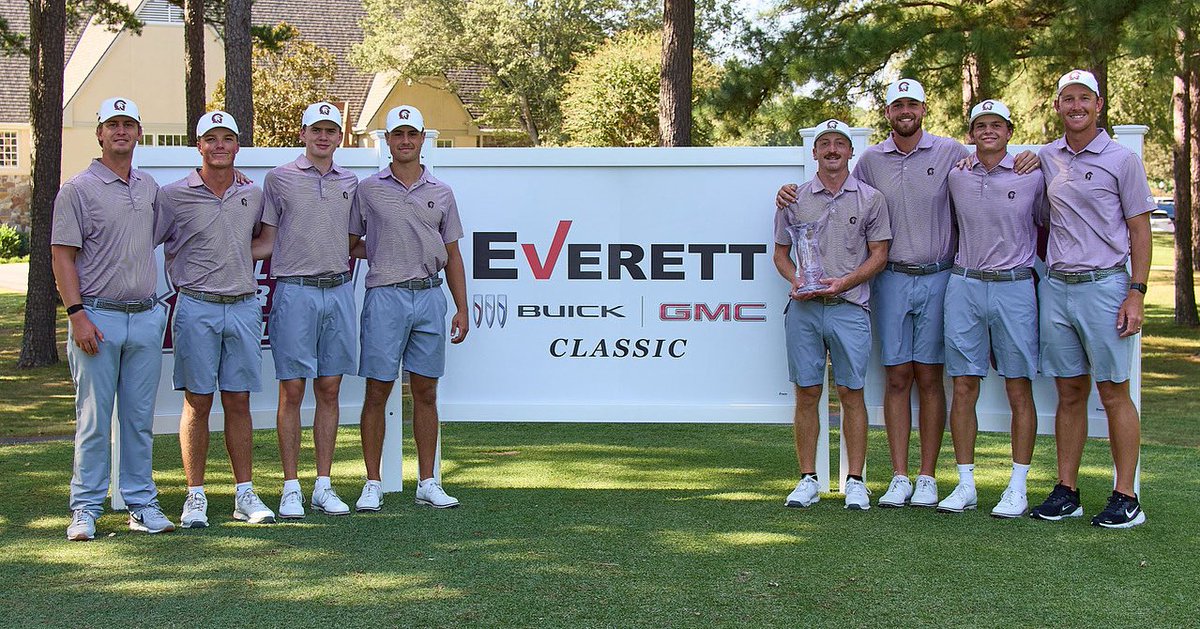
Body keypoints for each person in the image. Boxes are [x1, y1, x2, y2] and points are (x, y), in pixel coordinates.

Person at [776, 79, 1039, 508]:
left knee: (931, 378)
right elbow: (839, 195)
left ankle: (928, 477)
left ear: (923, 108)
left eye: (912, 104)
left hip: (941, 276)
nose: (905, 110)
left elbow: (995, 159)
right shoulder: (871, 160)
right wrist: (788, 191)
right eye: (897, 104)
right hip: (890, 278)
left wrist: (1032, 156)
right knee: (898, 377)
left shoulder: (953, 152)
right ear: (887, 113)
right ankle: (900, 476)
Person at [1030, 70, 1153, 529]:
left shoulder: (1122, 160)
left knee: (1114, 392)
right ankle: (1068, 490)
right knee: (1069, 391)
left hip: (1105, 287)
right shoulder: (1046, 157)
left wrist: (1136, 293)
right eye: (1067, 99)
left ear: (1098, 105)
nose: (1076, 106)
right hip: (1058, 287)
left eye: (1085, 98)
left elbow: (1140, 231)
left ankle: (1126, 495)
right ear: (1058, 106)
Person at [53, 97, 175, 540]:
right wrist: (77, 315)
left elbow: (168, 232)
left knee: (139, 419)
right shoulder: (78, 189)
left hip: (144, 317)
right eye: (112, 125)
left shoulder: (148, 188)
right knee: (94, 418)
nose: (121, 131)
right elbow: (62, 257)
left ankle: (141, 503)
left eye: (129, 124)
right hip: (96, 319)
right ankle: (85, 508)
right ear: (100, 134)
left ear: (139, 132)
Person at [156, 111, 275, 527]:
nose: (220, 145)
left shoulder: (253, 194)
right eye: (212, 138)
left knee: (239, 400)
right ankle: (195, 496)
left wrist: (239, 256)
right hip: (195, 305)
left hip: (243, 305)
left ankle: (244, 494)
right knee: (197, 400)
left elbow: (268, 240)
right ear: (199, 145)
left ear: (237, 146)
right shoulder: (173, 195)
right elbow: (147, 239)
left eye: (227, 138)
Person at [350, 105, 469, 511]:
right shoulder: (367, 189)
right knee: (377, 390)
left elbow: (452, 254)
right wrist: (386, 252)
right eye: (397, 134)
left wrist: (461, 308)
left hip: (430, 297)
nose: (404, 141)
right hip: (385, 296)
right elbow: (352, 243)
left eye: (411, 134)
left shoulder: (442, 192)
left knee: (425, 391)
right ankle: (372, 482)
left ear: (422, 139)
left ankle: (427, 481)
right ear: (387, 141)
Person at [936, 100, 1045, 518]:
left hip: (1015, 288)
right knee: (963, 386)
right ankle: (965, 484)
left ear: (1009, 131)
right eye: (980, 125)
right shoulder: (957, 175)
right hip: (964, 284)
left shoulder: (1032, 173)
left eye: (995, 125)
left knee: (1019, 386)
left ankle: (1016, 487)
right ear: (971, 134)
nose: (988, 131)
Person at [775, 119, 891, 511]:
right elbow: (780, 254)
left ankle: (855, 480)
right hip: (805, 309)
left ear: (850, 151)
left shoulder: (871, 199)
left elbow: (879, 255)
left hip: (849, 307)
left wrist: (843, 282)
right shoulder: (793, 199)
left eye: (839, 144)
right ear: (814, 153)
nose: (832, 150)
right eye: (824, 144)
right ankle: (807, 479)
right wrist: (798, 280)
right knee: (807, 392)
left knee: (850, 392)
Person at [252, 102, 358, 519]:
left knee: (329, 389)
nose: (324, 136)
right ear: (303, 134)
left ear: (339, 137)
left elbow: (353, 241)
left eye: (331, 130)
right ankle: (291, 486)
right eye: (317, 129)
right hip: (295, 291)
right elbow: (266, 240)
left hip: (338, 291)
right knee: (292, 390)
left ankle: (324, 485)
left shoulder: (351, 182)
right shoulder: (278, 179)